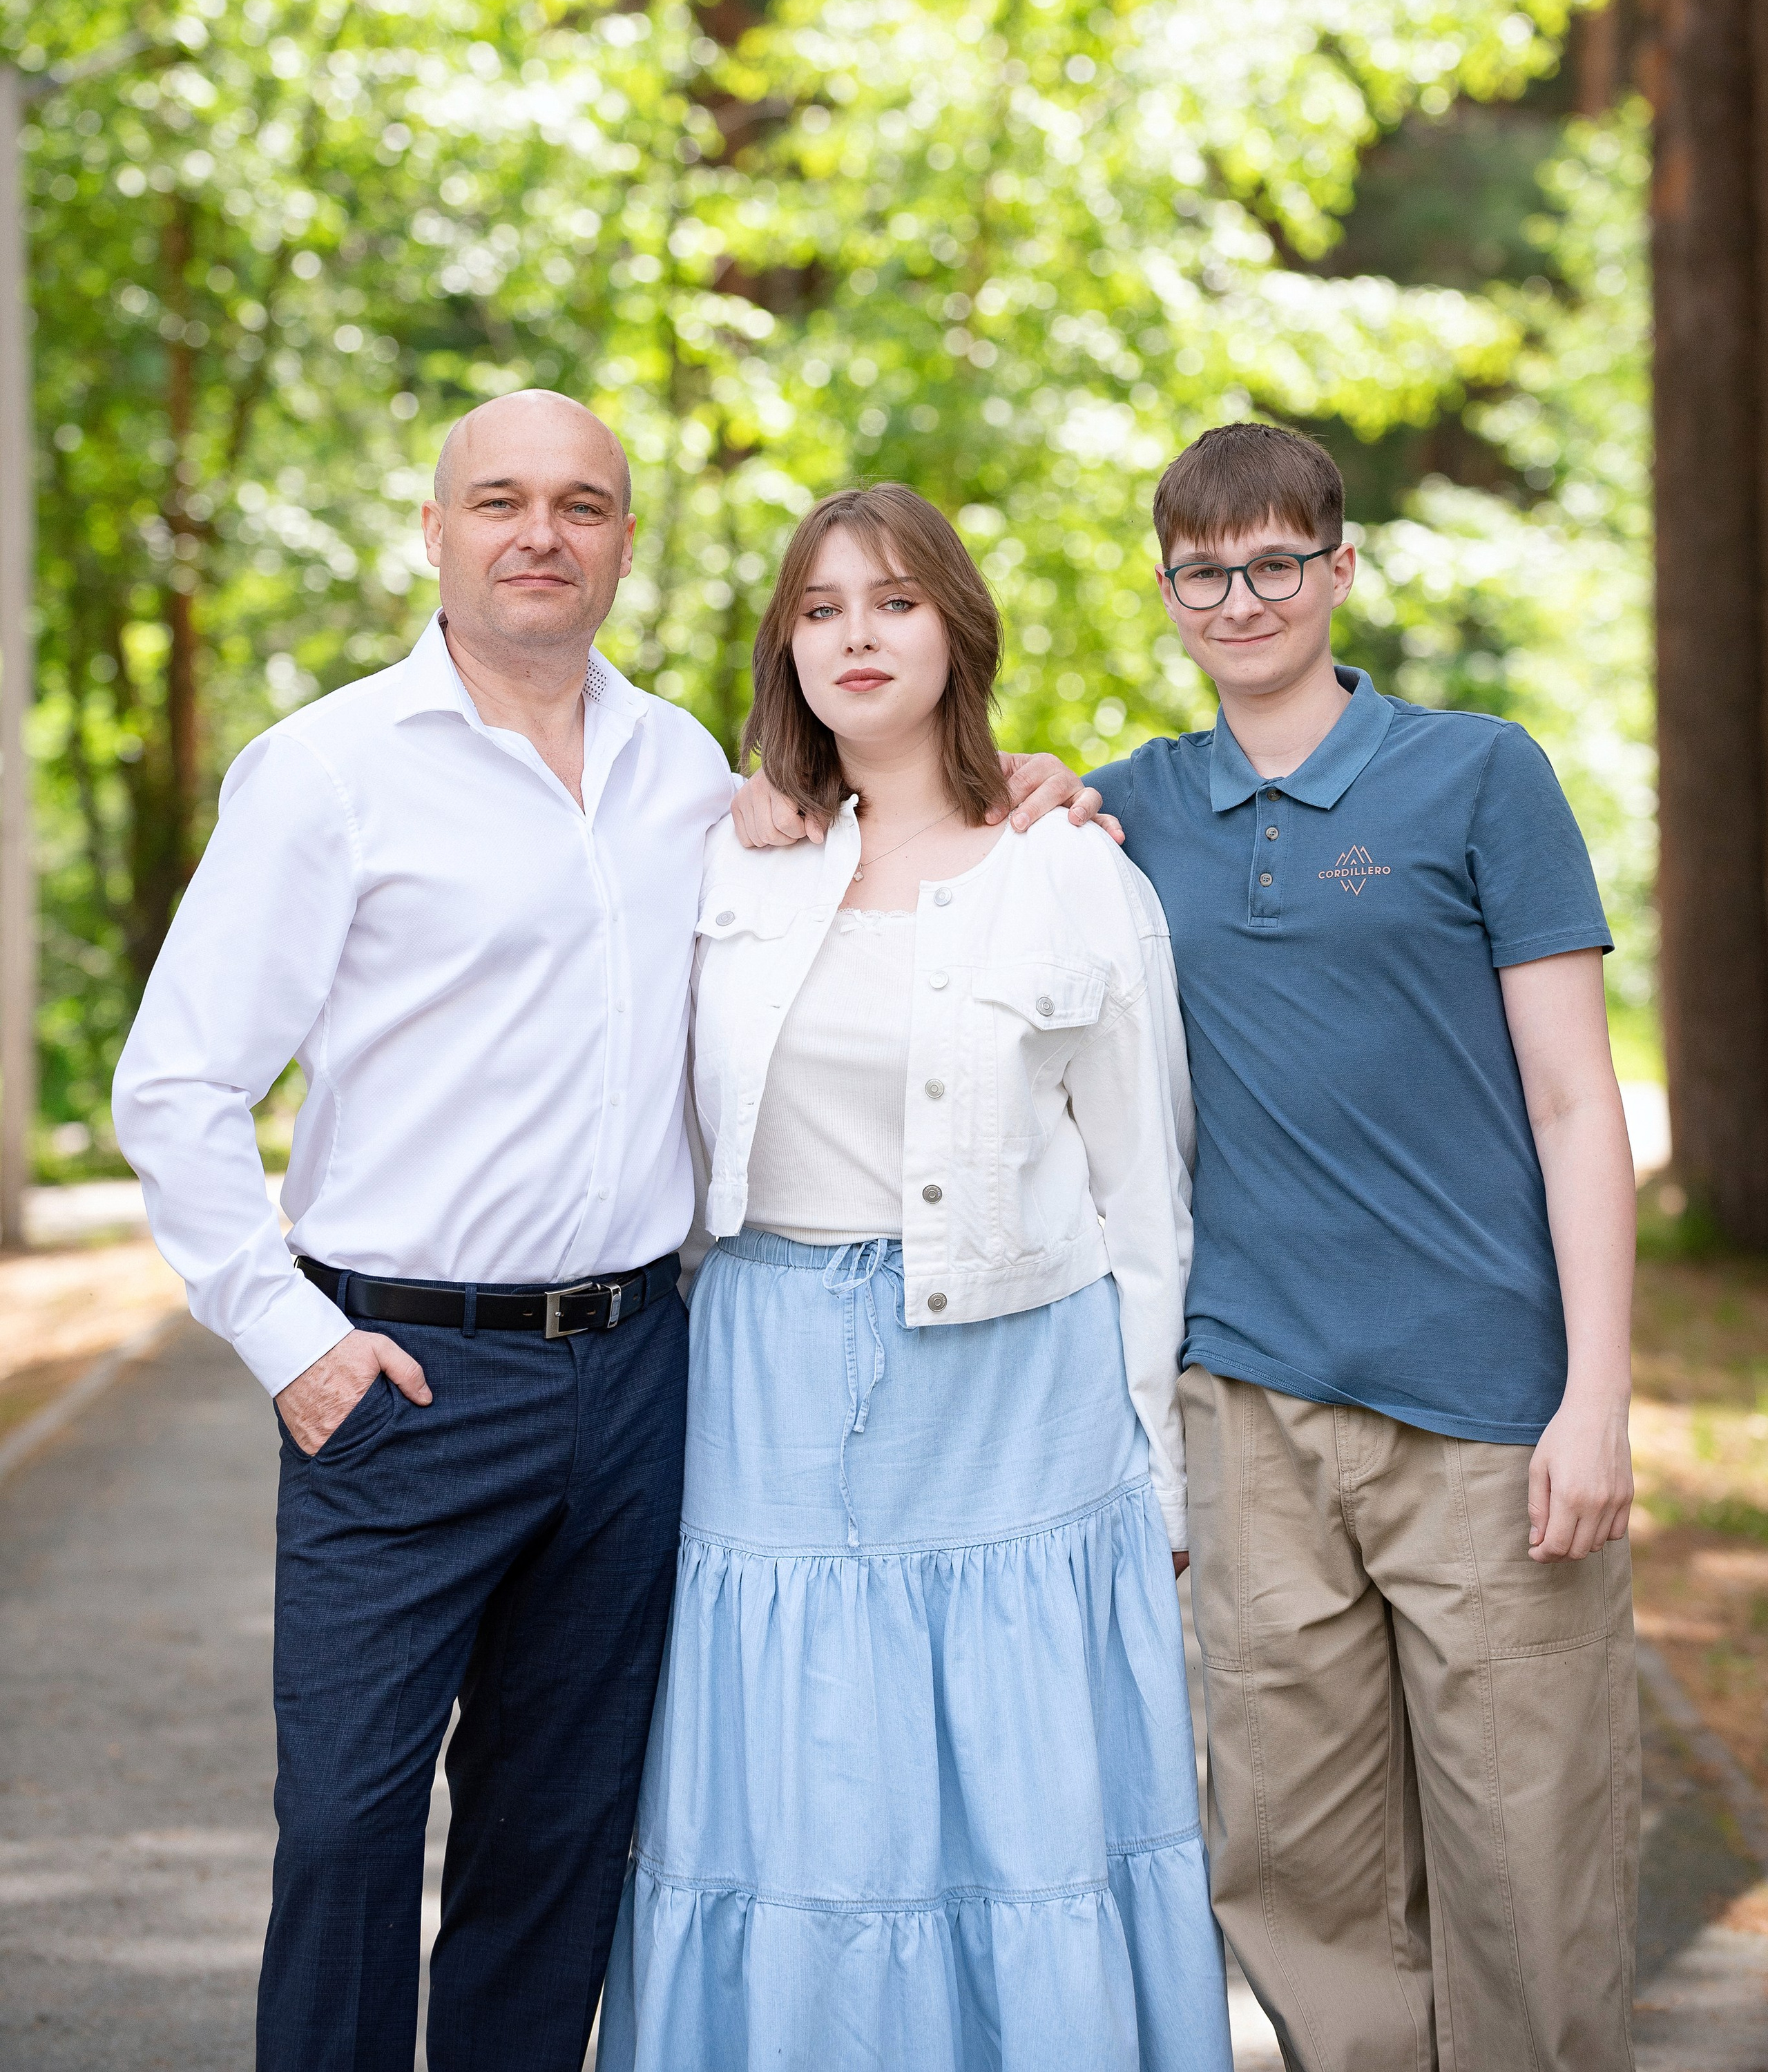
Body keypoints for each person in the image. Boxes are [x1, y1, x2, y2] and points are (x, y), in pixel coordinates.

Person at [110, 389, 1093, 2072]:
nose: (540, 533)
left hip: (638, 1379)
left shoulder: (690, 775)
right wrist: (293, 1343)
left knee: (553, 1846)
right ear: (436, 533)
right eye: (499, 500)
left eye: (581, 504)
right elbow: (176, 1083)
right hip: (394, 1376)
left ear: (625, 545)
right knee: (346, 1830)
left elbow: (873, 859)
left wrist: (1036, 791)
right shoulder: (330, 771)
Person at [599, 483, 1233, 2072]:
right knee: (799, 1788)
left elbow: (1140, 1199)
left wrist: (1152, 1474)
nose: (856, 636)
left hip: (1014, 1383)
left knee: (1012, 1801)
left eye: (891, 601)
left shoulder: (1067, 867)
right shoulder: (725, 862)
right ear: (784, 650)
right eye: (819, 609)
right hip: (768, 1377)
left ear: (955, 627)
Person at [1087, 422, 1640, 2072]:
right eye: (1204, 569)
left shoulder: (1478, 772)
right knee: (1294, 1870)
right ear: (1169, 592)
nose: (1239, 595)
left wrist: (1594, 1396)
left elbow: (1570, 1101)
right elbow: (917, 831)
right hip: (1248, 1410)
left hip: (1486, 1411)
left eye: (1273, 561)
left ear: (1338, 568)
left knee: (1526, 1866)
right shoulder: (1125, 810)